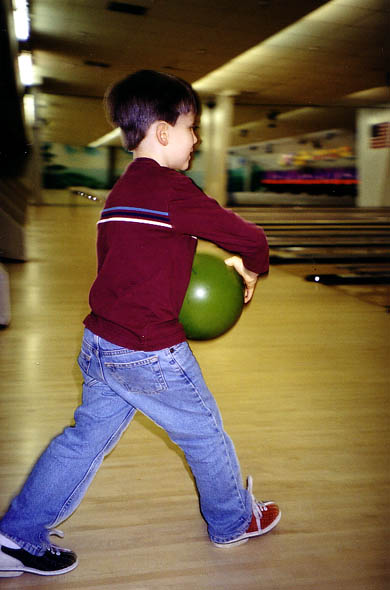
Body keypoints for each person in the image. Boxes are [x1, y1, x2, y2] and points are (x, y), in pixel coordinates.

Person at [0, 70, 281, 578]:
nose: (197, 139)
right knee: (205, 433)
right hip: (151, 350)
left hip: (101, 342)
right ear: (163, 132)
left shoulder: (119, 194)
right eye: (193, 127)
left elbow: (130, 266)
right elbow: (249, 237)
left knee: (81, 438)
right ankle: (232, 522)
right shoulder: (173, 188)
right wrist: (252, 266)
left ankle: (15, 535)